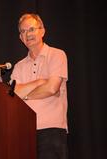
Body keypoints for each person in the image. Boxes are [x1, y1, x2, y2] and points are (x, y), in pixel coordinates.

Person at [10, 13, 68, 159]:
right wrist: (39, 82)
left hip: (51, 131)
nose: (27, 34)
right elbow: (12, 96)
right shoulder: (18, 67)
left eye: (31, 29)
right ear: (20, 38)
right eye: (23, 31)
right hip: (23, 133)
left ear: (42, 31)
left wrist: (25, 95)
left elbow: (51, 88)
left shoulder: (57, 55)